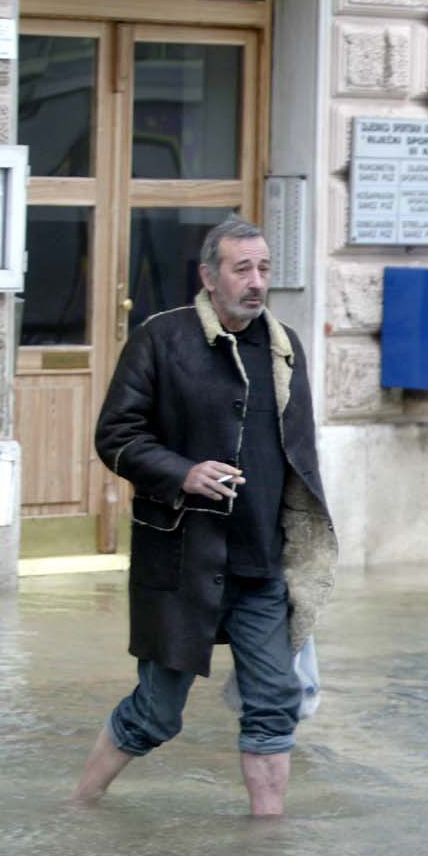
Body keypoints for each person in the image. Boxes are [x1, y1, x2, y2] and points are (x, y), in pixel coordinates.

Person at [71, 218, 338, 816]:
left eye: (264, 268)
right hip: (183, 563)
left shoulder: (284, 345)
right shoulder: (161, 340)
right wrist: (182, 472)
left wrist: (305, 553)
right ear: (209, 276)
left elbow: (301, 461)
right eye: (242, 269)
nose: (256, 282)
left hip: (262, 567)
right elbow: (115, 435)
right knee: (157, 713)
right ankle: (78, 805)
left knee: (275, 703)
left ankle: (268, 842)